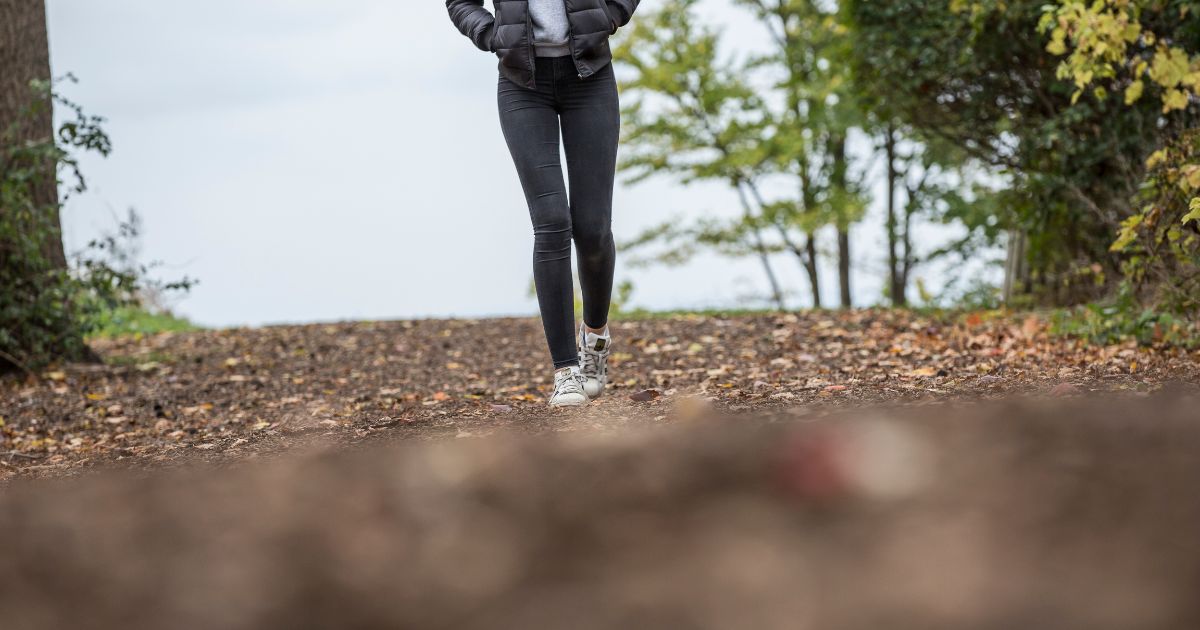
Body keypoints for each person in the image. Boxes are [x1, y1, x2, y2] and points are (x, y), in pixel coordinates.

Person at [446, 0, 640, 407]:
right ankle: (565, 371)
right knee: (552, 221)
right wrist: (489, 33)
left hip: (590, 77)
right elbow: (460, 2)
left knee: (592, 229)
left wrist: (611, 15)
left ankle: (596, 336)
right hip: (522, 84)